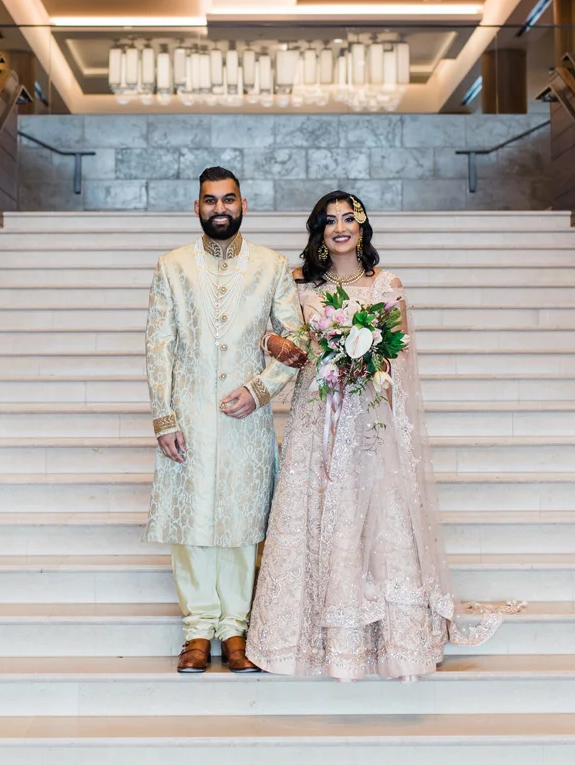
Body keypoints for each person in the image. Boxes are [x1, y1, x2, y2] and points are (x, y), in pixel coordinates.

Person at [246, 190, 508, 681]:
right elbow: (277, 338)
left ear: (363, 228)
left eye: (349, 218)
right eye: (330, 221)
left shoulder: (387, 285)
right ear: (319, 232)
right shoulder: (299, 286)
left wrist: (366, 365)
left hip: (367, 417)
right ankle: (297, 641)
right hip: (316, 417)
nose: (340, 227)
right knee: (315, 512)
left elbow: (399, 358)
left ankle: (393, 641)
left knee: (376, 517)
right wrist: (274, 343)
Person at [144, 166, 306, 675]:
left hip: (245, 418)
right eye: (210, 201)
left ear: (243, 205)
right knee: (190, 522)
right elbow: (159, 344)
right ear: (197, 208)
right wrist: (164, 415)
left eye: (228, 200)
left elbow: (296, 341)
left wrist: (260, 391)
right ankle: (197, 629)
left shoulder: (272, 266)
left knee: (240, 520)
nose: (219, 209)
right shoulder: (171, 266)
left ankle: (235, 628)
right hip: (188, 413)